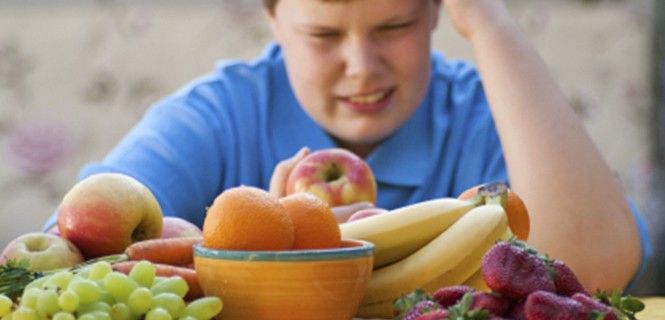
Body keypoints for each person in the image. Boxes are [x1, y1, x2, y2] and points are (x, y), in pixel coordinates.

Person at [44, 0, 650, 294]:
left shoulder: (493, 111)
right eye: (324, 34)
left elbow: (592, 275)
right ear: (273, 19)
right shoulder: (219, 115)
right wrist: (270, 247)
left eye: (395, 26)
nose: (361, 68)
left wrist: (488, 21)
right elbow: (67, 264)